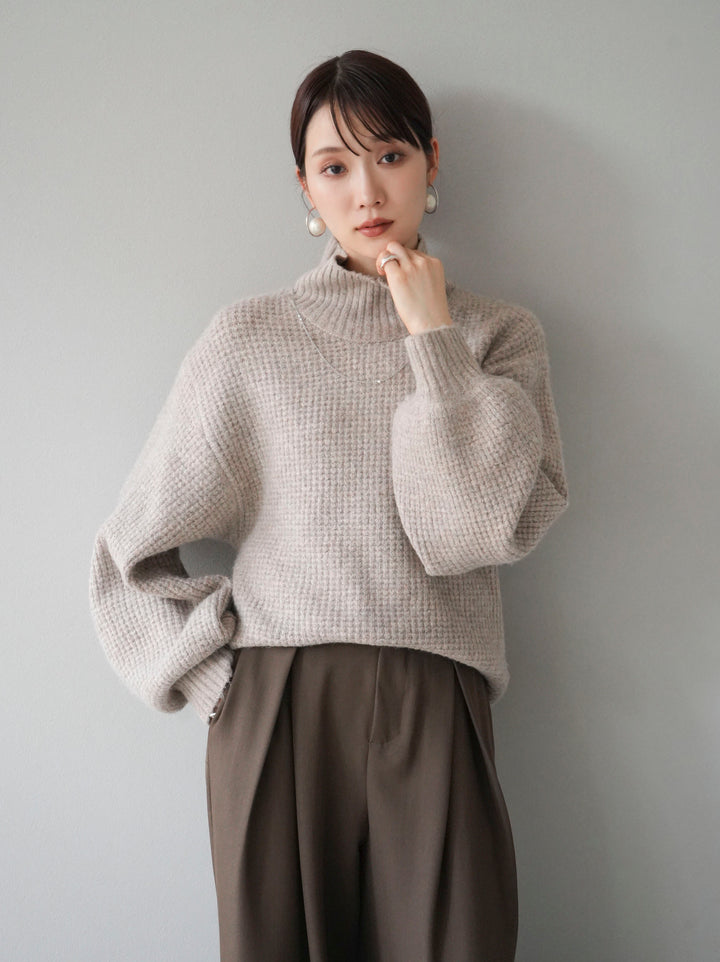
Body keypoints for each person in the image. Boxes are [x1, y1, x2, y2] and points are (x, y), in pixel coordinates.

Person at [89, 49, 568, 962]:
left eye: (389, 155)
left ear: (431, 161)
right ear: (306, 188)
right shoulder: (250, 340)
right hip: (278, 704)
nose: (367, 191)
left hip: (439, 695)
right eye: (335, 166)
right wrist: (217, 683)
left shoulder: (498, 336)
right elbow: (127, 556)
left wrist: (432, 338)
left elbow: (470, 531)